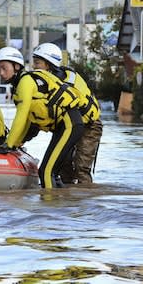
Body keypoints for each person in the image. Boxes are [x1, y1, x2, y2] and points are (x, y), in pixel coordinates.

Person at [0, 46, 84, 189]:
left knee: (46, 172)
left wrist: (9, 145)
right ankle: (64, 203)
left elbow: (21, 116)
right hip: (66, 126)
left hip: (69, 124)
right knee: (53, 173)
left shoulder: (26, 81)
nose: (1, 73)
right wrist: (16, 143)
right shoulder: (20, 85)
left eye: (4, 68)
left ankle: (49, 208)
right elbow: (30, 121)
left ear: (17, 66)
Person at [33, 42, 103, 185]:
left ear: (48, 65)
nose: (34, 67)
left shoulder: (64, 84)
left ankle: (85, 200)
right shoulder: (50, 82)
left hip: (90, 126)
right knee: (63, 165)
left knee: (81, 168)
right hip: (70, 126)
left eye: (37, 63)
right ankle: (67, 202)